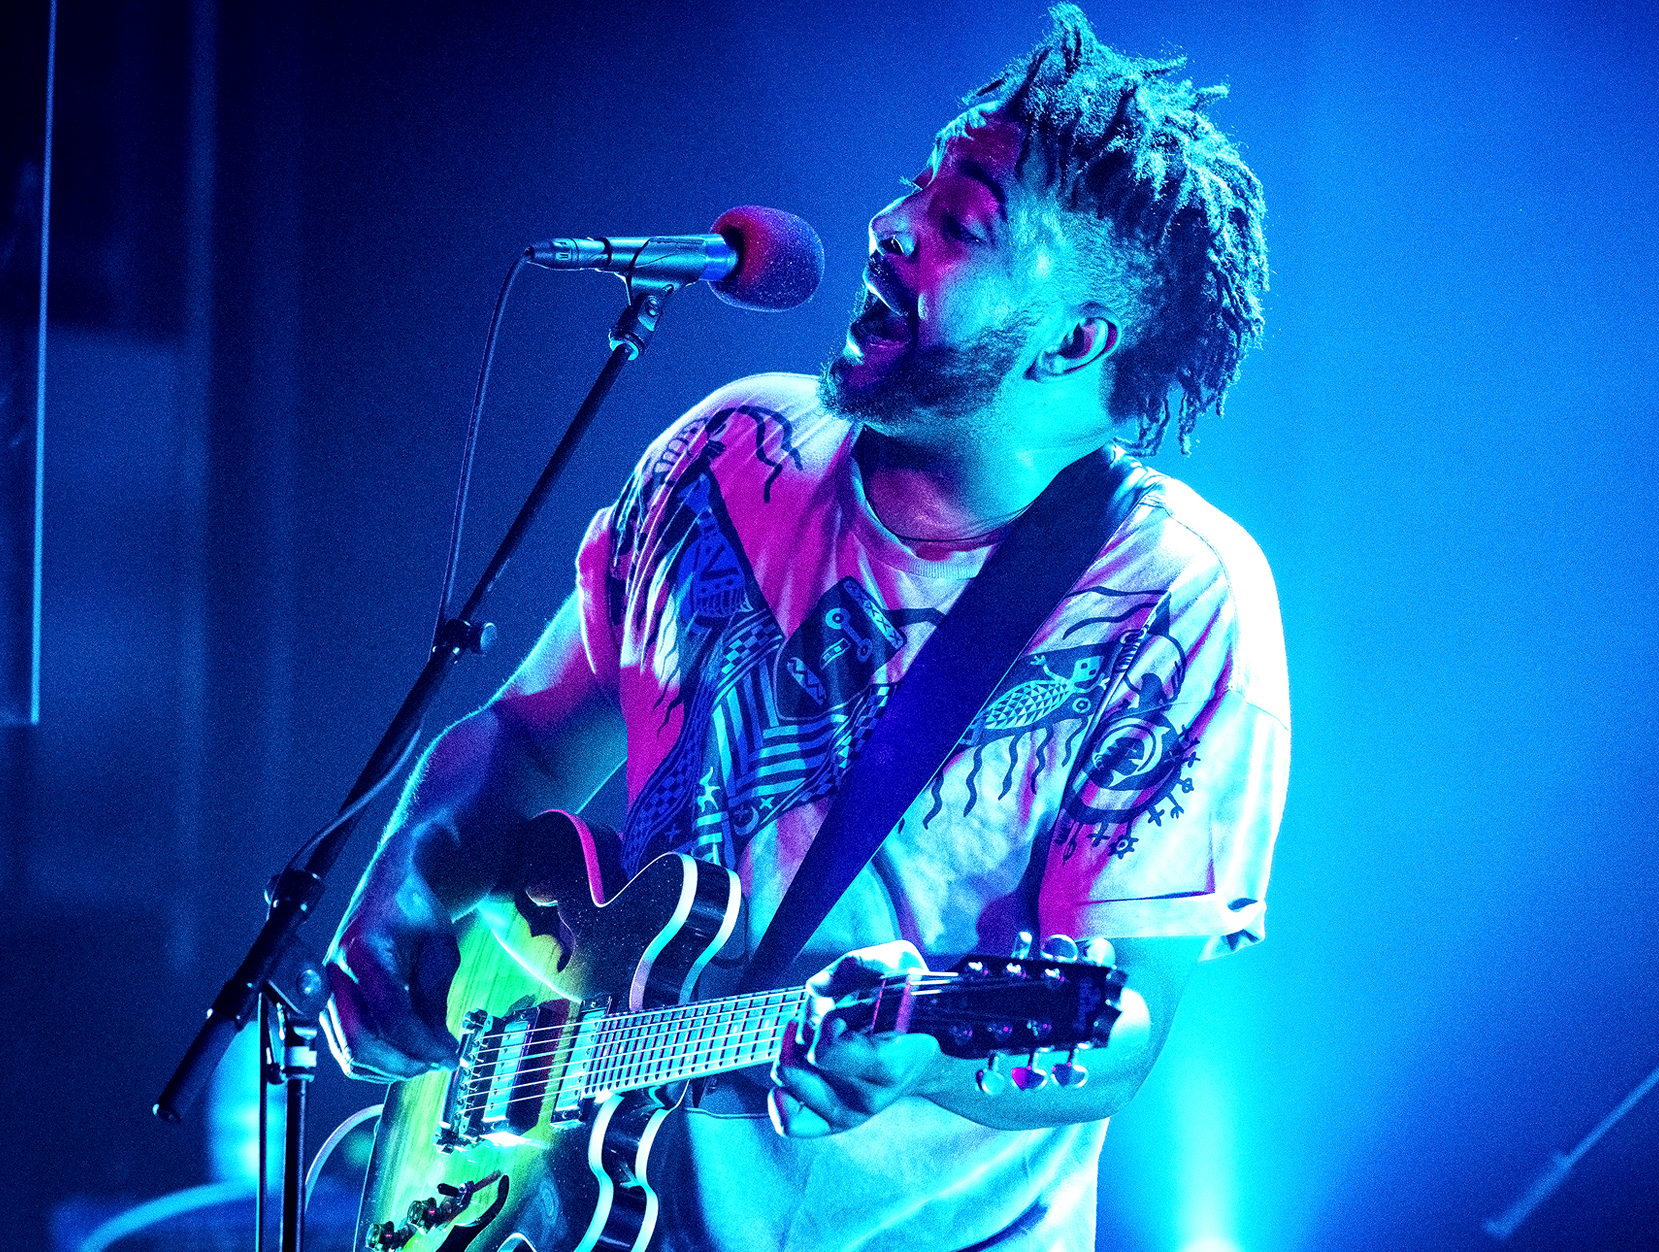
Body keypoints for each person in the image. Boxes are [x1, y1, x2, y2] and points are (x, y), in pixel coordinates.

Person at [323, 6, 1289, 1250]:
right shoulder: (734, 451)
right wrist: (406, 883)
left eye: (960, 224)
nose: (888, 229)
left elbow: (1119, 1024)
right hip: (591, 1207)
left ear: (1079, 339)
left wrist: (925, 1060)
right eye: (916, 188)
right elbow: (526, 735)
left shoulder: (1174, 597)